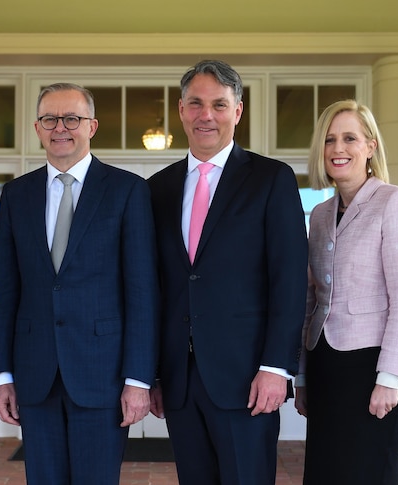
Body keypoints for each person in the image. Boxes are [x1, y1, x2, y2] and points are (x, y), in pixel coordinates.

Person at [147, 59, 307, 485]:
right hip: (179, 381)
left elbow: (289, 280)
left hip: (247, 378)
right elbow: (155, 286)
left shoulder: (271, 179)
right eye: (196, 104)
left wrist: (276, 367)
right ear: (181, 110)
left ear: (238, 111)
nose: (206, 115)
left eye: (219, 104)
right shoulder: (157, 188)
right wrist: (155, 373)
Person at [0, 82, 159, 485]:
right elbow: (5, 290)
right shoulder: (16, 195)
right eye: (50, 118)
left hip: (103, 374)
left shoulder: (127, 190)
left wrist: (138, 380)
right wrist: (3, 376)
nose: (60, 127)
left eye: (72, 118)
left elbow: (142, 292)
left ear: (92, 126)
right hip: (35, 375)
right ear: (37, 127)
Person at [294, 100, 398, 484]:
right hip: (325, 364)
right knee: (325, 472)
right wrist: (302, 375)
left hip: (372, 366)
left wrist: (389, 377)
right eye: (330, 140)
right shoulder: (319, 215)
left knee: (367, 472)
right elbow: (310, 300)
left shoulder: (396, 202)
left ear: (370, 146)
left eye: (349, 138)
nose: (338, 149)